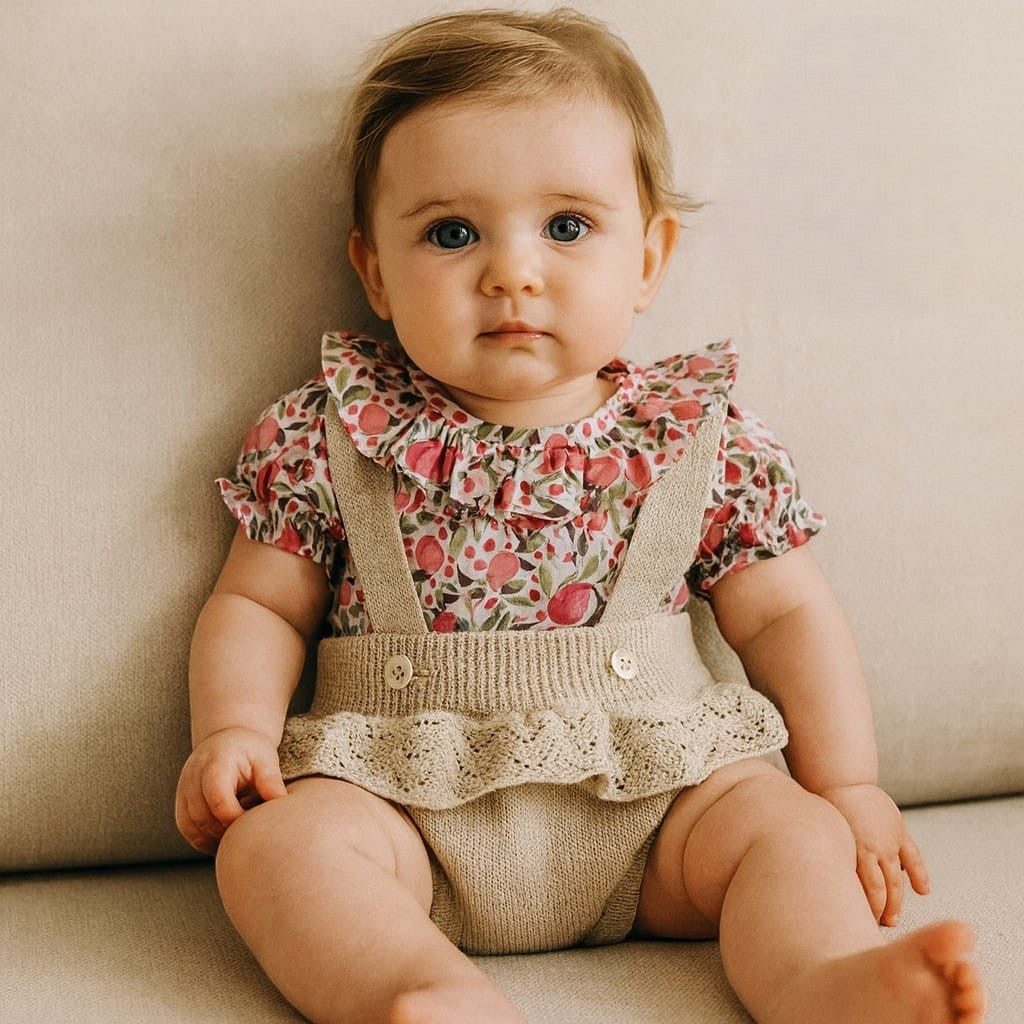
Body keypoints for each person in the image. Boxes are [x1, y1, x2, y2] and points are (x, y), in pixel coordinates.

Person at [174, 8, 985, 1023]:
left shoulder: (703, 440)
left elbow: (783, 617)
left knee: (786, 834)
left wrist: (849, 785)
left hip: (661, 808)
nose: (512, 270)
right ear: (374, 270)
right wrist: (234, 730)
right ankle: (417, 990)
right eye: (450, 231)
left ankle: (820, 979)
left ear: (648, 258)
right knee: (275, 849)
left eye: (566, 226)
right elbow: (258, 604)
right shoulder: (323, 435)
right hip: (401, 806)